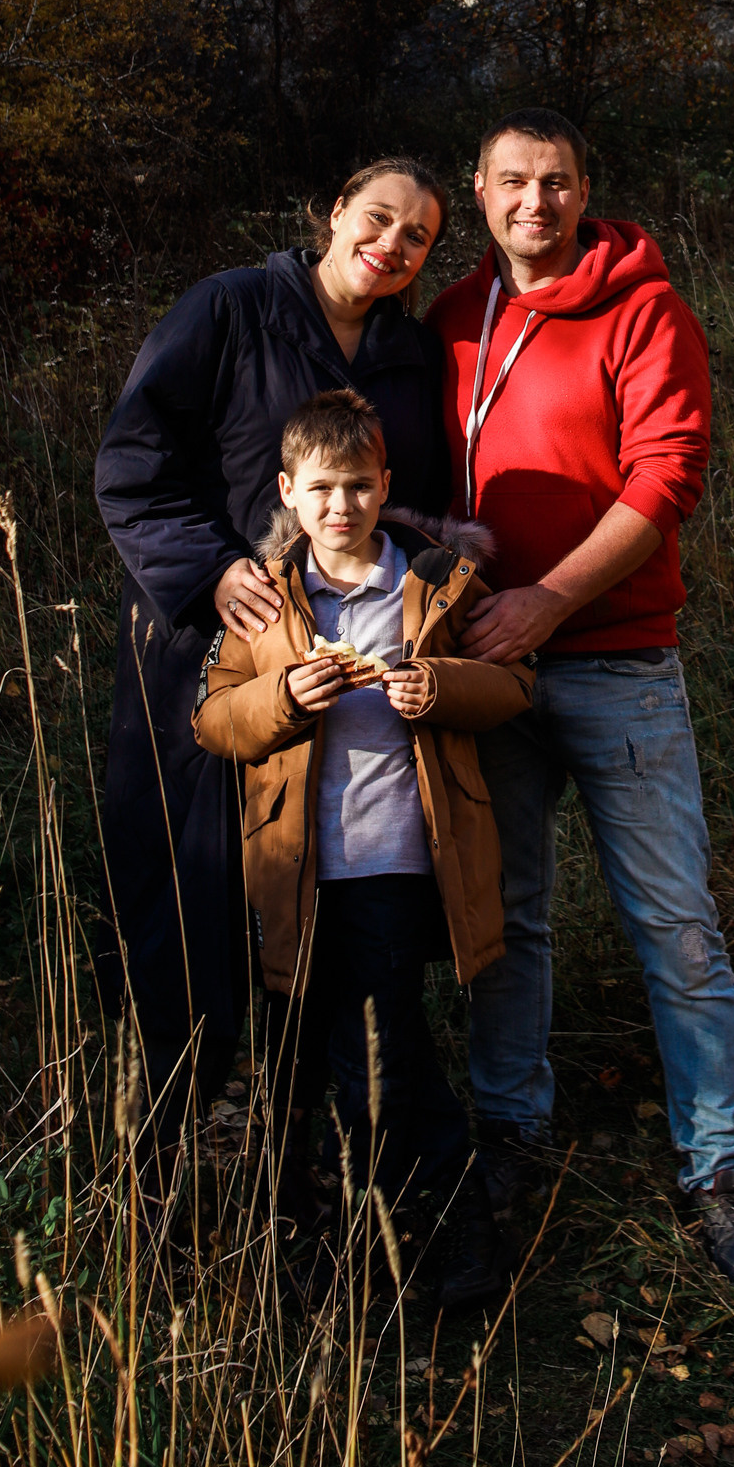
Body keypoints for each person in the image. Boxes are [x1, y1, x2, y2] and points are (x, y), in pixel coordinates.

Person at [429, 107, 734, 1290]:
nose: (534, 201)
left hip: (616, 663)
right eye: (513, 181)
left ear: (585, 193)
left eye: (557, 182)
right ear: (478, 190)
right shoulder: (451, 320)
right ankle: (508, 1133)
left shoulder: (644, 311)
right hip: (489, 672)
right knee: (506, 917)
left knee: (673, 923)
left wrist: (549, 602)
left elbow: (667, 476)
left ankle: (719, 1166)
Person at [94, 159, 450, 1140]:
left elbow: (419, 502)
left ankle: (308, 1129)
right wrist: (210, 570)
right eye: (377, 218)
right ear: (334, 212)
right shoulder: (231, 309)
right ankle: (174, 1127)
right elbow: (131, 464)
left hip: (349, 668)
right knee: (194, 889)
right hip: (210, 645)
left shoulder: (409, 353)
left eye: (416, 236)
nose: (391, 244)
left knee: (323, 893)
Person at [192, 385, 528, 1307]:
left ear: (385, 484)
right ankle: (389, 1236)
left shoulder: (433, 582)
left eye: (358, 486)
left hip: (395, 863)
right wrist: (285, 698)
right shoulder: (266, 601)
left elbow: (515, 685)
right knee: (339, 1050)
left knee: (373, 1054)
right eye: (321, 488)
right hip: (297, 869)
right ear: (288, 493)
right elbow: (214, 719)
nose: (340, 505)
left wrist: (439, 687)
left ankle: (403, 1244)